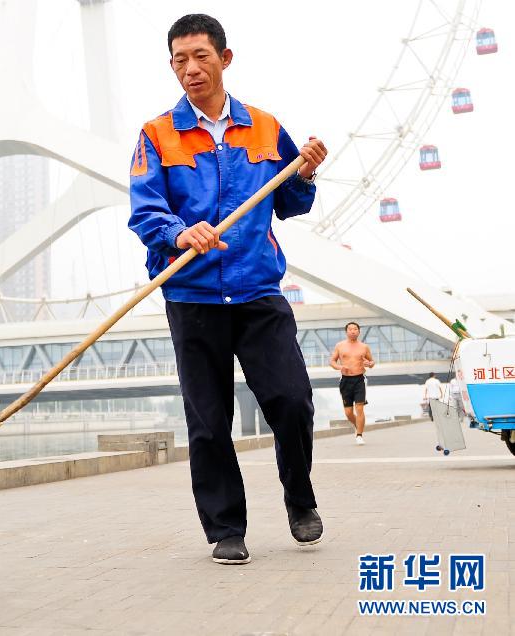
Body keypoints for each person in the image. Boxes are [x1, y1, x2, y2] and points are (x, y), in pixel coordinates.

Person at [128, 14, 328, 565]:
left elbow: (289, 202)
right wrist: (179, 232)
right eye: (179, 60)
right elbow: (146, 212)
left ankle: (300, 498)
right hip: (191, 296)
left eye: (200, 56)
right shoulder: (156, 135)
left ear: (225, 58)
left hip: (258, 290)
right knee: (208, 420)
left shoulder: (264, 127)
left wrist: (304, 173)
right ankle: (226, 529)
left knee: (291, 401)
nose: (190, 69)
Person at [330, 322, 375, 445]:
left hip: (359, 379)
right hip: (345, 380)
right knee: (348, 412)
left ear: (359, 332)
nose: (353, 331)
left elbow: (371, 362)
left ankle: (359, 435)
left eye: (355, 329)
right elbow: (332, 361)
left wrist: (370, 364)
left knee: (359, 408)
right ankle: (358, 425)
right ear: (346, 332)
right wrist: (340, 367)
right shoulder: (340, 346)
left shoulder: (364, 347)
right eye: (350, 329)